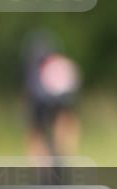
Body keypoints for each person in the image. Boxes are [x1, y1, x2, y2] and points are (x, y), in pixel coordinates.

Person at [21, 30, 82, 158]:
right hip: (58, 99)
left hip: (42, 100)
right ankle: (61, 157)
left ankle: (47, 163)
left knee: (36, 130)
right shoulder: (59, 64)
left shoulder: (34, 67)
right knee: (65, 122)